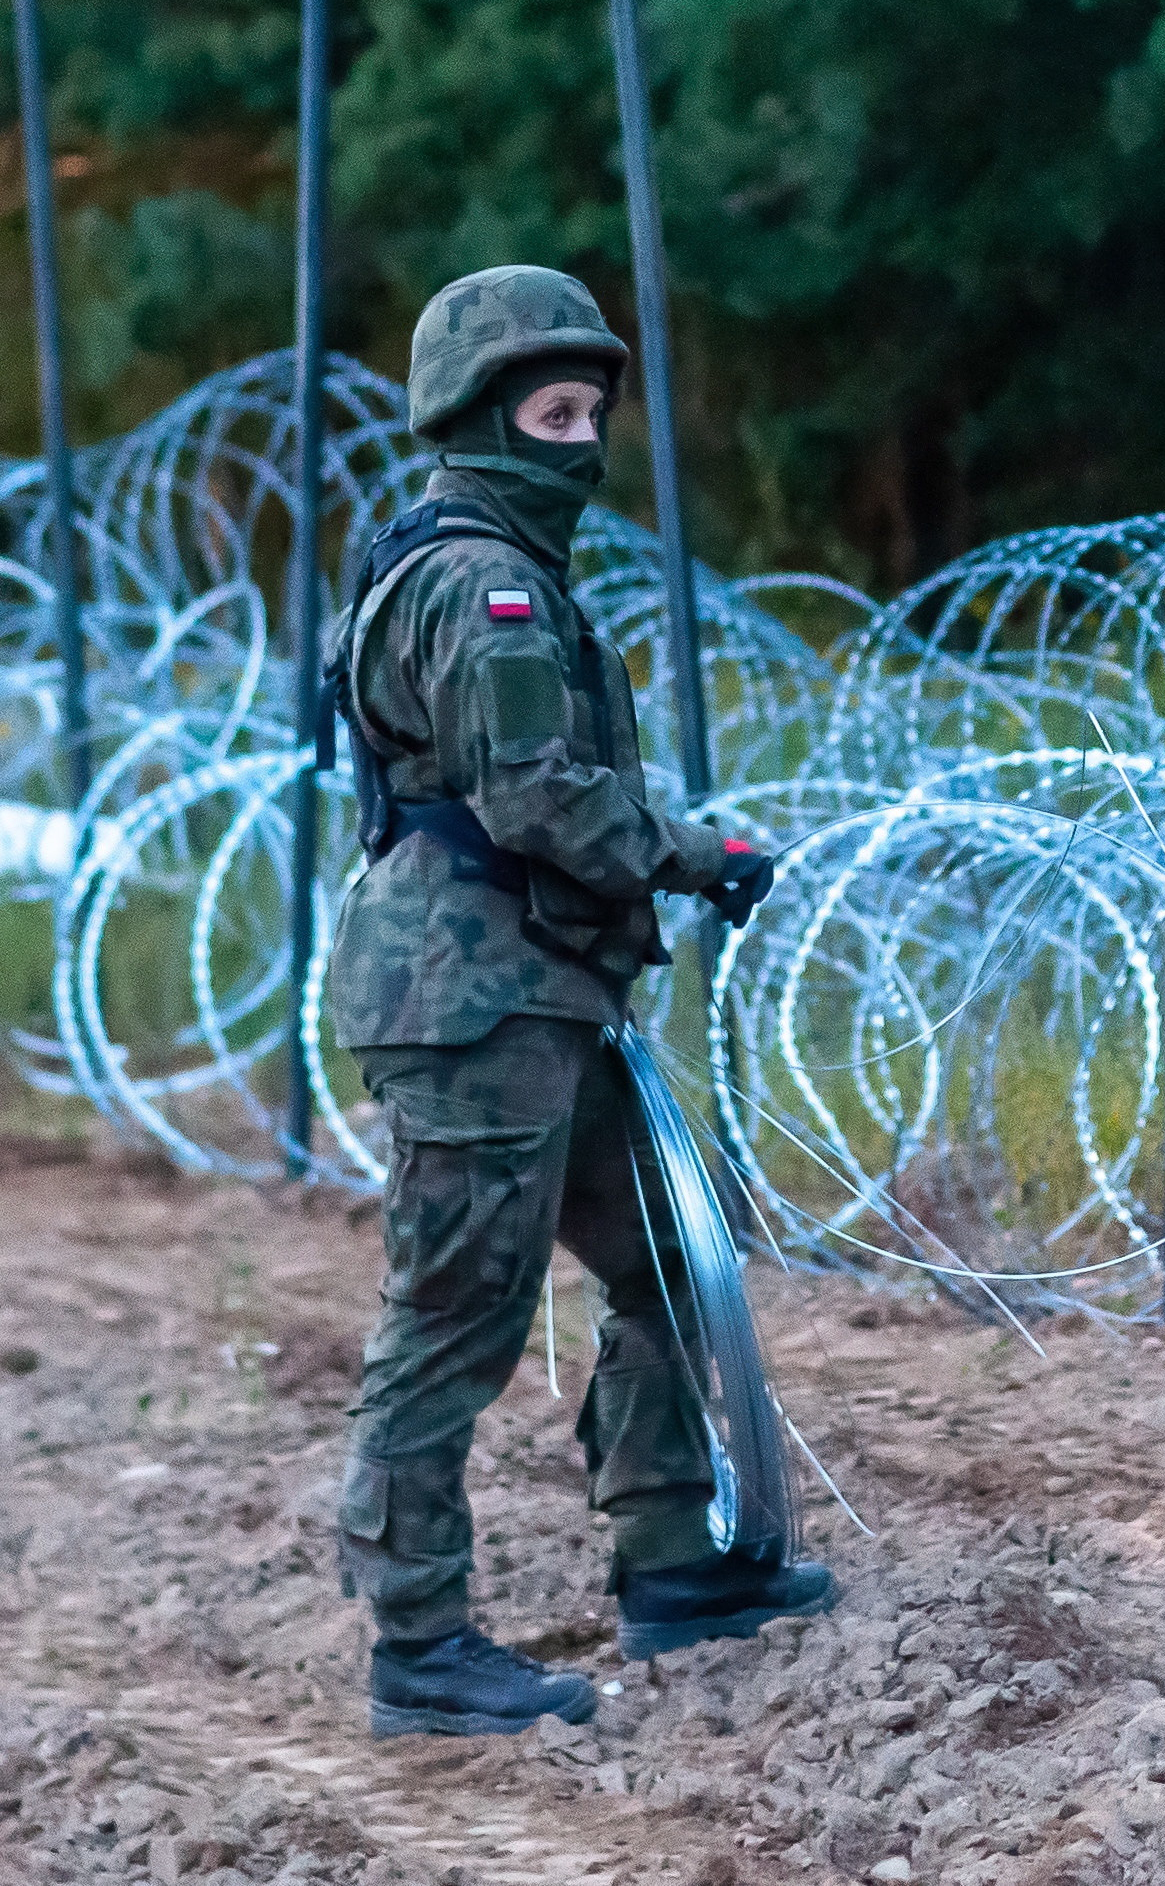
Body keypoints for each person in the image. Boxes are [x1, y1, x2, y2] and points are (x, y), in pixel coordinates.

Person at [325, 263, 830, 1739]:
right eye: (551, 411)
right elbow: (534, 792)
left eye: (590, 409)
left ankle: (672, 1563)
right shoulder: (475, 587)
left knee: (678, 1258)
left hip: (530, 989)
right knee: (451, 1328)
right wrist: (690, 852)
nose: (582, 443)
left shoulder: (490, 567)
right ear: (480, 418)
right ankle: (420, 1649)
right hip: (468, 1003)